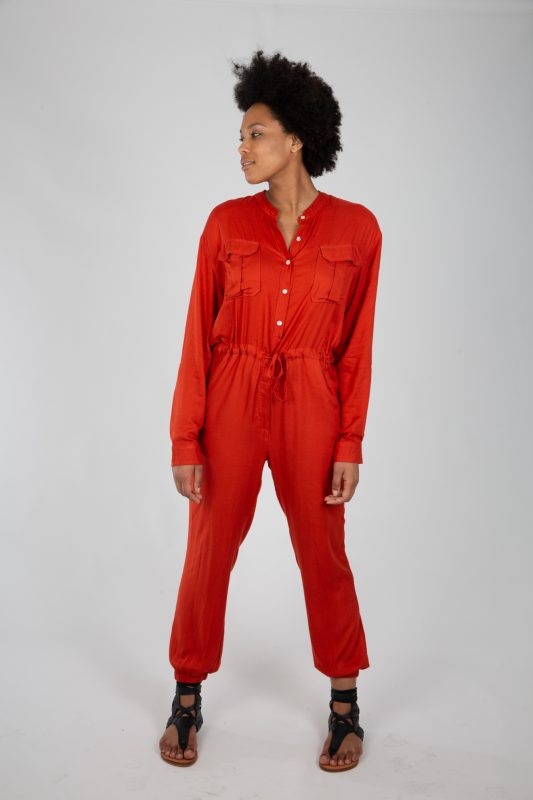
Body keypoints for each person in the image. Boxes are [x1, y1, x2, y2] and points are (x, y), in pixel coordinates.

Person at [159, 49, 383, 772]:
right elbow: (196, 334)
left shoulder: (357, 231)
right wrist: (185, 438)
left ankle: (344, 704)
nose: (243, 147)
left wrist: (348, 441)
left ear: (296, 138)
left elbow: (356, 348)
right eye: (241, 135)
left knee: (322, 548)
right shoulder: (224, 225)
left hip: (313, 399)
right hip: (231, 391)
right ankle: (186, 695)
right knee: (208, 548)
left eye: (256, 133)